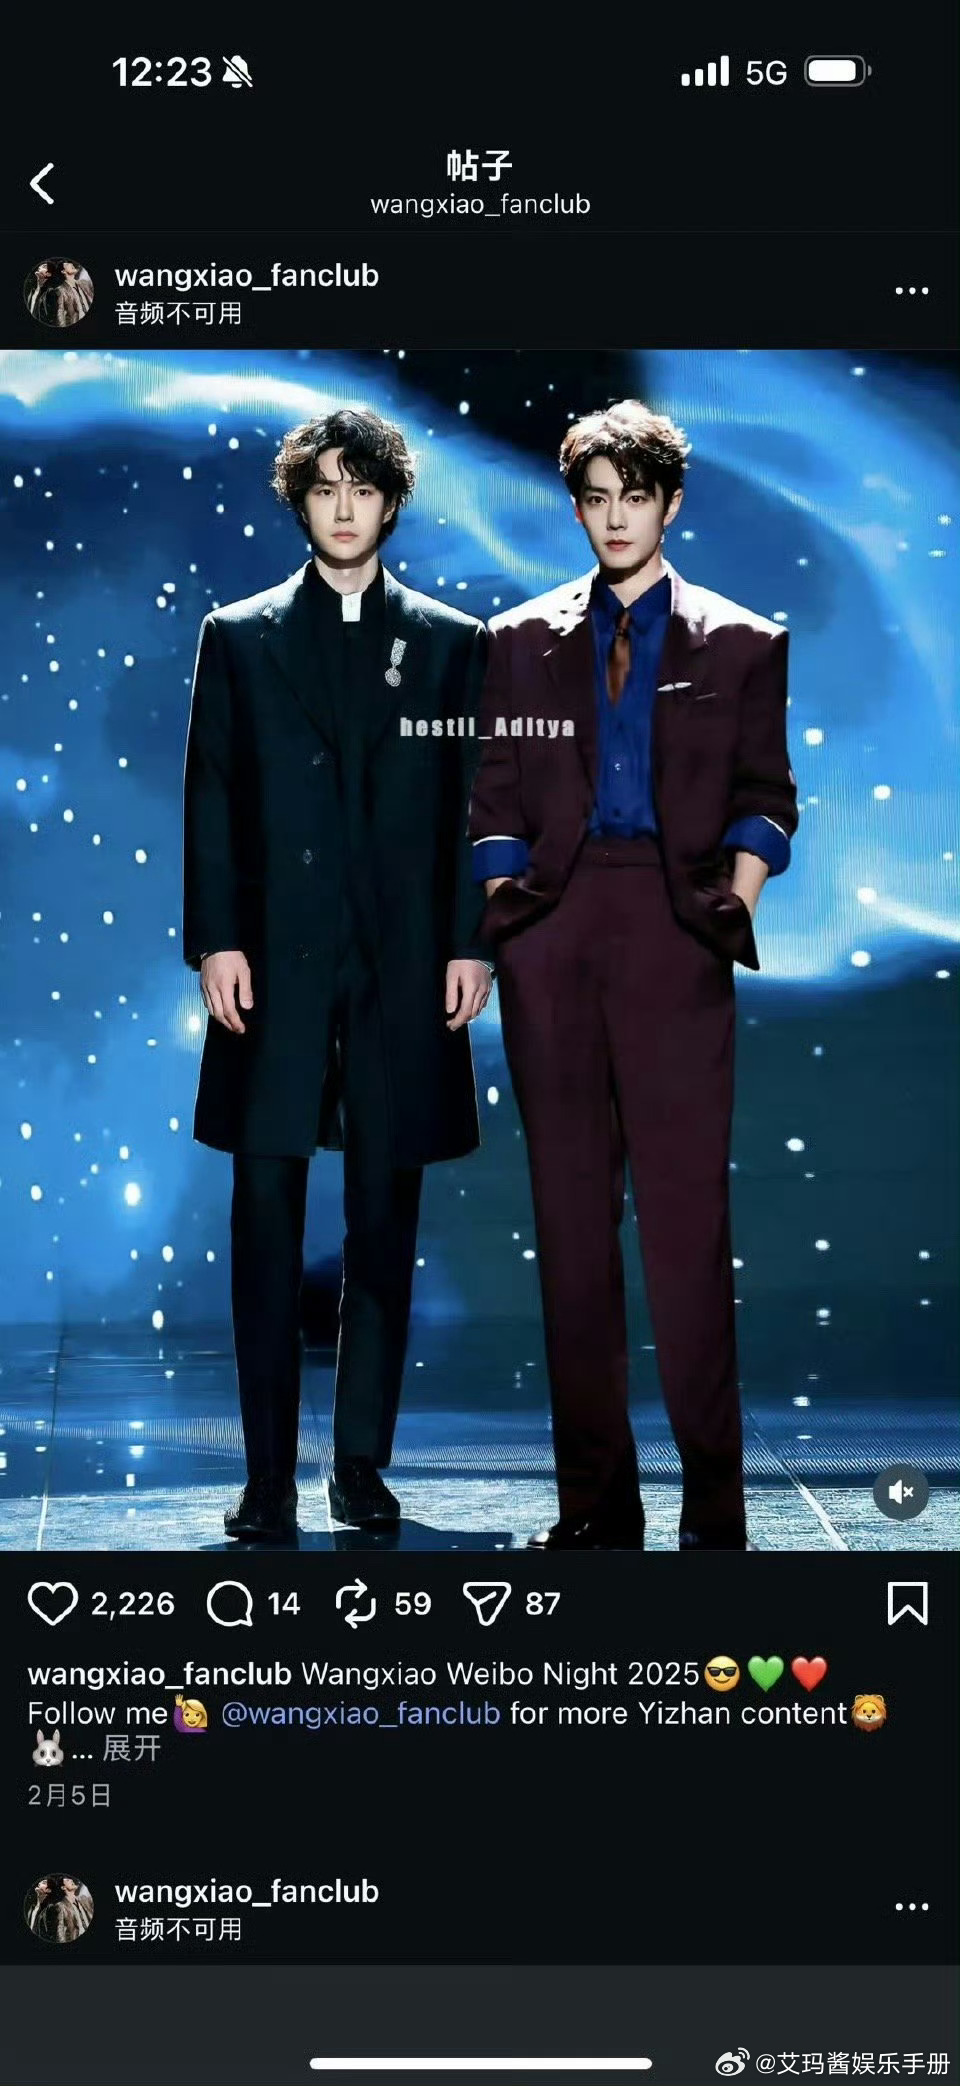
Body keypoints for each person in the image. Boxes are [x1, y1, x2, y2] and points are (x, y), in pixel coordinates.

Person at [469, 400, 798, 1550]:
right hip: (553, 939)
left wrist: (730, 906)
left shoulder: (743, 641)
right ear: (576, 509)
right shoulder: (516, 639)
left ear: (671, 504)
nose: (615, 519)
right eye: (596, 500)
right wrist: (511, 924)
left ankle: (716, 1512)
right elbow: (493, 798)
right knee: (569, 1232)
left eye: (635, 498)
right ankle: (596, 1510)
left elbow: (767, 796)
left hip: (675, 931)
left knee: (686, 1229)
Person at [183, 407, 490, 1541]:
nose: (345, 507)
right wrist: (216, 939)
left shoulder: (453, 642)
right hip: (272, 968)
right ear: (300, 502)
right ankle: (266, 1475)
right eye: (325, 489)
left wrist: (472, 940)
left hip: (402, 969)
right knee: (264, 1220)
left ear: (392, 501)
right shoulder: (240, 634)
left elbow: (472, 804)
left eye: (364, 488)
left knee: (383, 1223)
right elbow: (212, 789)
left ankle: (358, 1465)